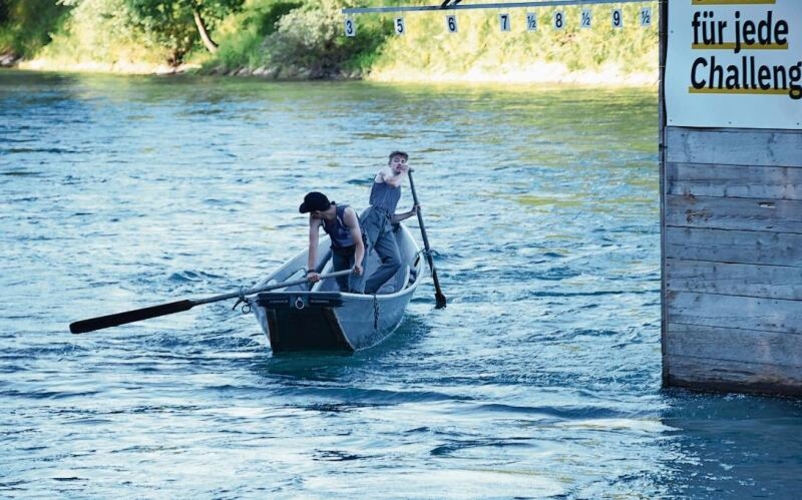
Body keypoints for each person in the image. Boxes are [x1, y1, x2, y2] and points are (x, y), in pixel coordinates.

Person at [361, 151, 418, 294]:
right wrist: (404, 172)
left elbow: (391, 217)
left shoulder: (398, 184)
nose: (400, 164)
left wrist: (410, 213)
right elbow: (391, 182)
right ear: (390, 163)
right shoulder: (385, 172)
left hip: (385, 223)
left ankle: (367, 289)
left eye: (403, 161)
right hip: (372, 218)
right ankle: (352, 287)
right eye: (396, 160)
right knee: (362, 255)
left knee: (394, 261)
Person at [299, 191, 365, 293]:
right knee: (342, 286)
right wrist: (311, 270)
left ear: (316, 212)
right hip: (338, 249)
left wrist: (358, 263)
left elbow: (359, 243)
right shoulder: (315, 219)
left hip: (356, 248)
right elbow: (313, 244)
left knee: (356, 286)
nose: (311, 215)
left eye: (310, 212)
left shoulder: (347, 213)